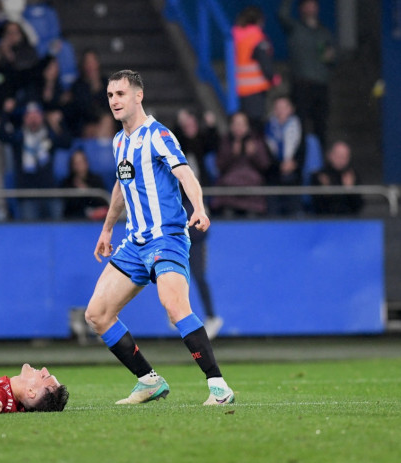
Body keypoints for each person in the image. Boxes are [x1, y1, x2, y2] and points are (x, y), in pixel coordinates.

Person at [84, 70, 234, 406]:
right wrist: (107, 228)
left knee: (174, 306)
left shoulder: (158, 134)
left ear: (139, 95)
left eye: (120, 94)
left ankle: (218, 386)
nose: (114, 101)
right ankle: (148, 380)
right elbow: (122, 186)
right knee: (96, 314)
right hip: (134, 243)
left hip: (166, 238)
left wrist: (199, 207)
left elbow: (184, 172)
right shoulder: (119, 141)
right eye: (110, 96)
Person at [174, 109, 223, 339]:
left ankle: (211, 316)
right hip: (180, 211)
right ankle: (177, 312)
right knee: (174, 272)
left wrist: (211, 127)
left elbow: (211, 143)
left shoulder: (199, 147)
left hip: (194, 211)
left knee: (197, 273)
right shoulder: (176, 149)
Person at [0, 99, 71, 220]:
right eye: (29, 116)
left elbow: (67, 142)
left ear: (42, 118)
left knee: (58, 231)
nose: (33, 119)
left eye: (36, 116)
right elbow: (1, 136)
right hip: (27, 196)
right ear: (24, 119)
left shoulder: (49, 136)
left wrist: (58, 123)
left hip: (50, 194)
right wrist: (6, 113)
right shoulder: (19, 137)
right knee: (31, 234)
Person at [278, 0, 335, 147]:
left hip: (321, 84)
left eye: (313, 5)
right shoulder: (295, 28)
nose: (311, 8)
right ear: (301, 9)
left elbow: (331, 60)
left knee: (321, 126)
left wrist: (331, 57)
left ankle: (319, 164)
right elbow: (282, 15)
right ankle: (300, 162)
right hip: (301, 84)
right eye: (307, 5)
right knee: (299, 125)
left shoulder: (324, 32)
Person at [211, 111, 272, 217]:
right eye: (236, 124)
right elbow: (219, 166)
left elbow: (265, 165)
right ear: (231, 126)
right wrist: (231, 154)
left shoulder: (256, 140)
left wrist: (254, 154)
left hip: (252, 192)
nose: (238, 127)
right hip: (230, 191)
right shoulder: (226, 141)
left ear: (247, 126)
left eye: (242, 124)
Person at [232, 6, 276, 133]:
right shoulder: (257, 38)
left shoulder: (235, 37)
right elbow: (266, 65)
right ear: (259, 21)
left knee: (244, 127)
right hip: (256, 90)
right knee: (256, 127)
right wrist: (273, 79)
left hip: (240, 89)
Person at [265, 95, 305, 215]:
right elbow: (266, 155)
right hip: (273, 174)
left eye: (284, 107)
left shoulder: (299, 127)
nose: (281, 110)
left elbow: (302, 152)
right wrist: (279, 166)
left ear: (291, 109)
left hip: (294, 175)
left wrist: (294, 164)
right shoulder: (267, 129)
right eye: (278, 107)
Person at [310, 140, 363, 215]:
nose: (341, 159)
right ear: (330, 155)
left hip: (349, 221)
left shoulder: (352, 175)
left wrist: (350, 190)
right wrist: (326, 191)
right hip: (324, 221)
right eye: (338, 155)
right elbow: (317, 206)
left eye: (345, 156)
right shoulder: (319, 176)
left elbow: (358, 206)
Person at [60, 149, 109, 221]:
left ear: (86, 163)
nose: (78, 166)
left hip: (97, 221)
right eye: (75, 163)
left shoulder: (96, 180)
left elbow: (103, 202)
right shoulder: (67, 182)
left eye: (80, 162)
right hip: (75, 220)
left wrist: (86, 190)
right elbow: (67, 208)